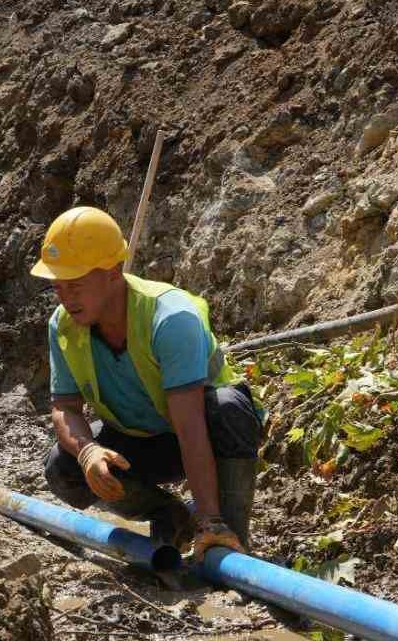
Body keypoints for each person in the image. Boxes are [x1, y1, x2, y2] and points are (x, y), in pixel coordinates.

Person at [34, 205, 261, 561]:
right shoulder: (62, 324)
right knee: (63, 469)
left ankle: (225, 538)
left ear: (112, 273)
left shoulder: (170, 318)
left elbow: (190, 426)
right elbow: (65, 408)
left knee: (230, 408)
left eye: (75, 285)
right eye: (58, 287)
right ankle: (170, 514)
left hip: (204, 435)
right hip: (138, 442)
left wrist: (210, 518)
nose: (66, 298)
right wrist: (89, 452)